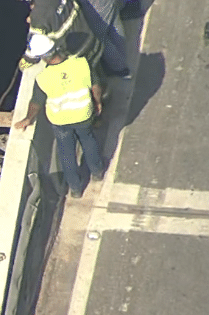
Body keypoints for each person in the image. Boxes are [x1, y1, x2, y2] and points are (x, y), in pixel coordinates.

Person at [15, 38, 106, 198]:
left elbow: (36, 103)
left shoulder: (43, 78)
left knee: (66, 151)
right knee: (88, 140)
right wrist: (97, 102)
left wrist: (28, 119)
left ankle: (76, 189)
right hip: (83, 114)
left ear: (43, 57)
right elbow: (95, 86)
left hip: (60, 120)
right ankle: (97, 172)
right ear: (55, 48)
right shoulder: (81, 64)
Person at [76, 0, 131, 78]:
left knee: (102, 40)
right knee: (115, 26)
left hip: (95, 10)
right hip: (108, 3)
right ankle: (122, 61)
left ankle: (119, 68)